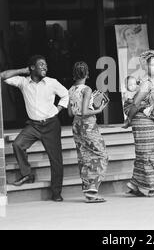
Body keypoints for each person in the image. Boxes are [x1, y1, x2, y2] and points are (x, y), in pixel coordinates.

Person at [0, 55, 69, 202]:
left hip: (51, 125)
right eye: (41, 65)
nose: (45, 67)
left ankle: (56, 192)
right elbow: (3, 76)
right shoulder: (23, 82)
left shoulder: (52, 82)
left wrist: (57, 110)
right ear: (32, 67)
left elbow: (65, 95)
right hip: (33, 125)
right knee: (18, 144)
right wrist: (23, 70)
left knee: (56, 160)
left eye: (46, 65)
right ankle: (28, 175)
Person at [123, 50, 154, 197]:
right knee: (151, 152)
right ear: (146, 67)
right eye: (153, 65)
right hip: (143, 121)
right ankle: (153, 188)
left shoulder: (152, 83)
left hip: (148, 121)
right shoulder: (146, 84)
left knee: (145, 152)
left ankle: (134, 184)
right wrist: (129, 120)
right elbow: (136, 104)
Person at [68, 62, 108, 203]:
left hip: (76, 125)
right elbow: (85, 112)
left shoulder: (71, 90)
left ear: (74, 74)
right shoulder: (87, 89)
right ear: (87, 74)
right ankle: (92, 188)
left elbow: (70, 112)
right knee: (101, 155)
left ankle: (88, 189)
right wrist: (99, 109)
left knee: (84, 156)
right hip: (88, 124)